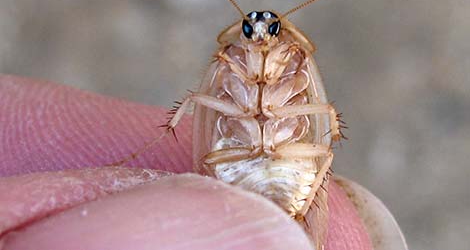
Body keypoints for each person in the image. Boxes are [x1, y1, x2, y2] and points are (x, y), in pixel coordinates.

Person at [0, 75, 376, 249]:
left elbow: (323, 114)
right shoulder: (229, 64)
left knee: (322, 149)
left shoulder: (298, 71)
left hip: (291, 178)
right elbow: (202, 100)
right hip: (234, 168)